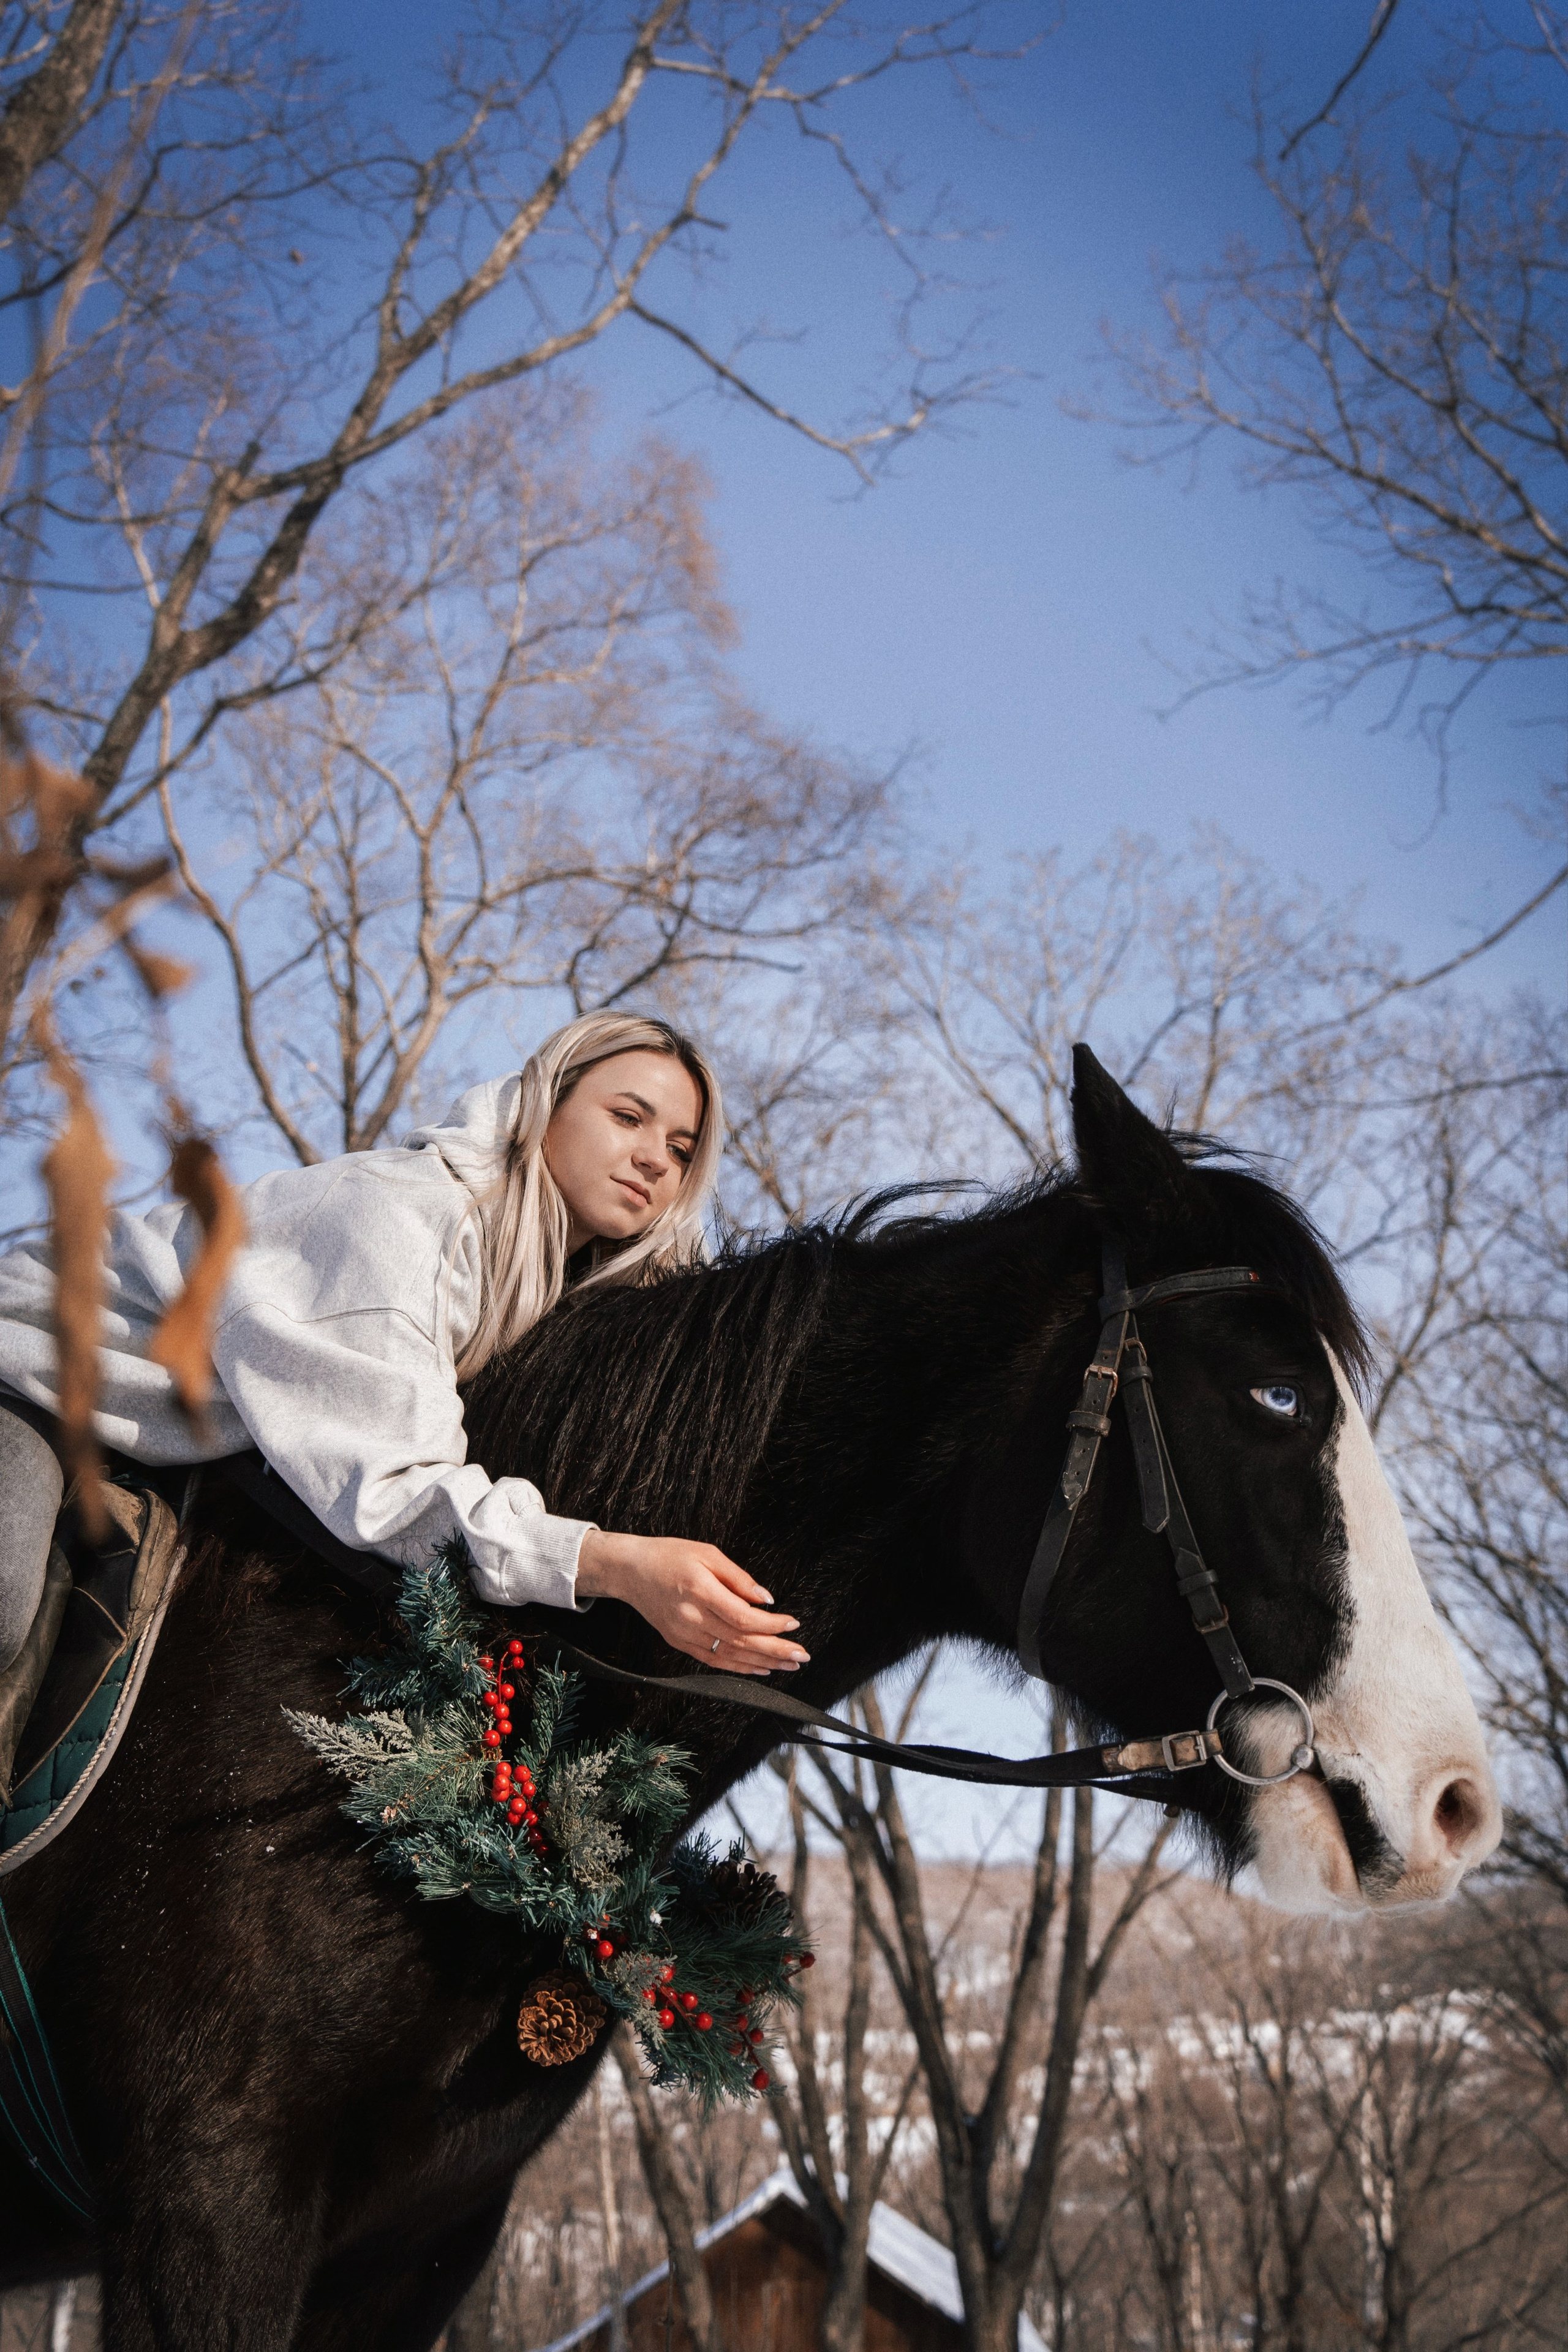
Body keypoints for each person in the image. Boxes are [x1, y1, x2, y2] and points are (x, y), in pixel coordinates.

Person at [0, 1012, 808, 1682]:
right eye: (628, 1117)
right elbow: (390, 1491)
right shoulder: (397, 1222)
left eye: (680, 1148)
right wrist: (618, 1565)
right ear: (543, 1104)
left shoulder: (556, 1287)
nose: (652, 1159)